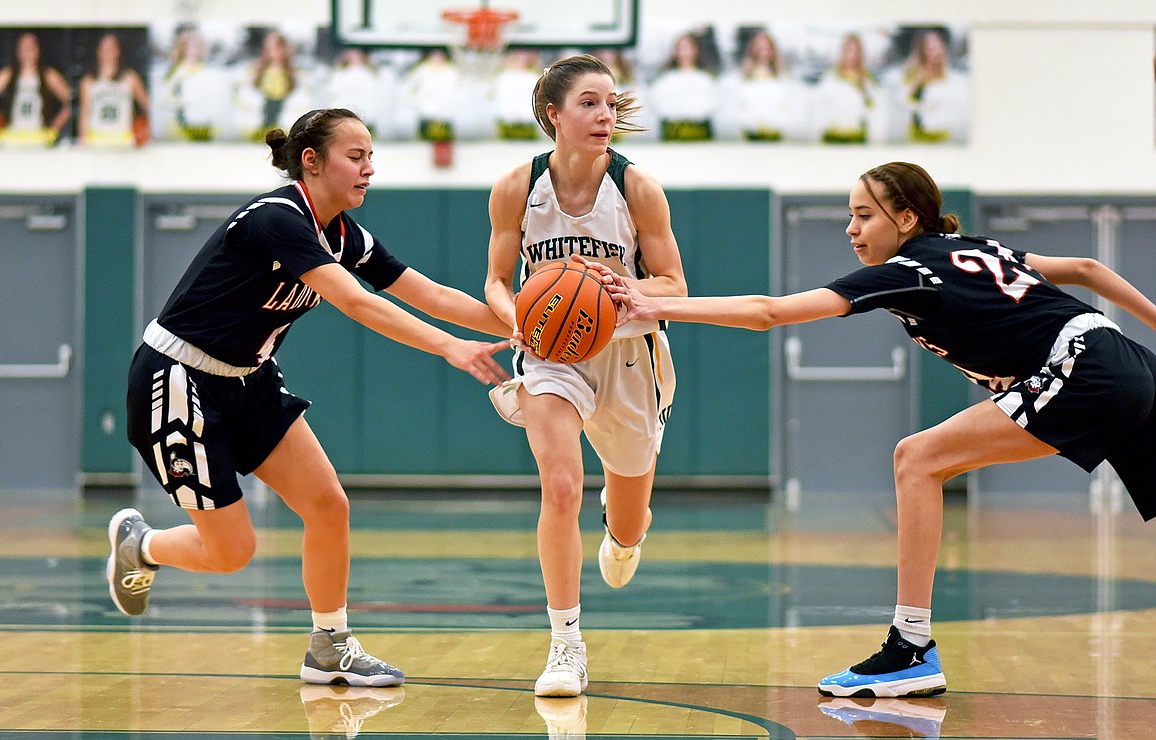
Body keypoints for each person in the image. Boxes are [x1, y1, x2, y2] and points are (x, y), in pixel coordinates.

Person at [606, 161, 1156, 697]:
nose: (851, 229)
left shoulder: (906, 272)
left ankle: (910, 649)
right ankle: (910, 647)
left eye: (865, 215)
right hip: (1124, 356)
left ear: (908, 219)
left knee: (917, 459)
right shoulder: (981, 249)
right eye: (851, 215)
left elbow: (767, 312)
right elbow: (1087, 268)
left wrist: (652, 304)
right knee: (923, 459)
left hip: (1080, 367)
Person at [108, 107, 513, 687]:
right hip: (177, 378)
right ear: (311, 161)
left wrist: (528, 323)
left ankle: (329, 647)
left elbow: (433, 293)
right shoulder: (278, 217)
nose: (369, 168)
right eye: (356, 156)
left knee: (328, 504)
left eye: (372, 156)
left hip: (250, 378)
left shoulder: (346, 233)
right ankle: (140, 545)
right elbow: (359, 304)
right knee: (231, 552)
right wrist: (452, 349)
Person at [483, 54, 688, 697]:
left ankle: (624, 532)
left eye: (609, 103)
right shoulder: (518, 186)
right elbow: (494, 280)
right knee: (561, 487)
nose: (605, 115)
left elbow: (676, 287)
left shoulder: (636, 189)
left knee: (628, 522)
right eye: (589, 104)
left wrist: (624, 288)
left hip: (631, 357)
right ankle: (566, 646)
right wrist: (515, 318)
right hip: (552, 354)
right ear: (554, 114)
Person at [0, 31, 72, 146]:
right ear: (17, 51)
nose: (26, 52)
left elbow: (71, 102)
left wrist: (53, 129)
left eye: (30, 47)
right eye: (22, 48)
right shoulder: (8, 74)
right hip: (13, 136)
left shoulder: (48, 74)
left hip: (38, 137)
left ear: (38, 50)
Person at [78, 32, 152, 147]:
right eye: (104, 48)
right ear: (98, 52)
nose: (108, 52)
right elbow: (84, 114)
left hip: (123, 141)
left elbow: (148, 105)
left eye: (111, 47)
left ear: (118, 51)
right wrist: (83, 140)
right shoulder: (88, 81)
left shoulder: (130, 77)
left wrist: (145, 131)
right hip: (97, 141)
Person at [810, 32, 882, 144]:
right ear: (843, 51)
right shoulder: (831, 76)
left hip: (856, 136)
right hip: (833, 136)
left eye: (855, 50)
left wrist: (862, 91)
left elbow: (872, 108)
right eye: (849, 50)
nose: (851, 54)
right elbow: (818, 104)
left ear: (860, 53)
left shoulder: (866, 78)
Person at [647, 31, 719, 141]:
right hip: (673, 131)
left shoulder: (706, 79)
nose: (685, 52)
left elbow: (712, 104)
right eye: (681, 48)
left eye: (688, 47)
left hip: (700, 131)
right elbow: (658, 104)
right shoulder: (665, 80)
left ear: (695, 50)